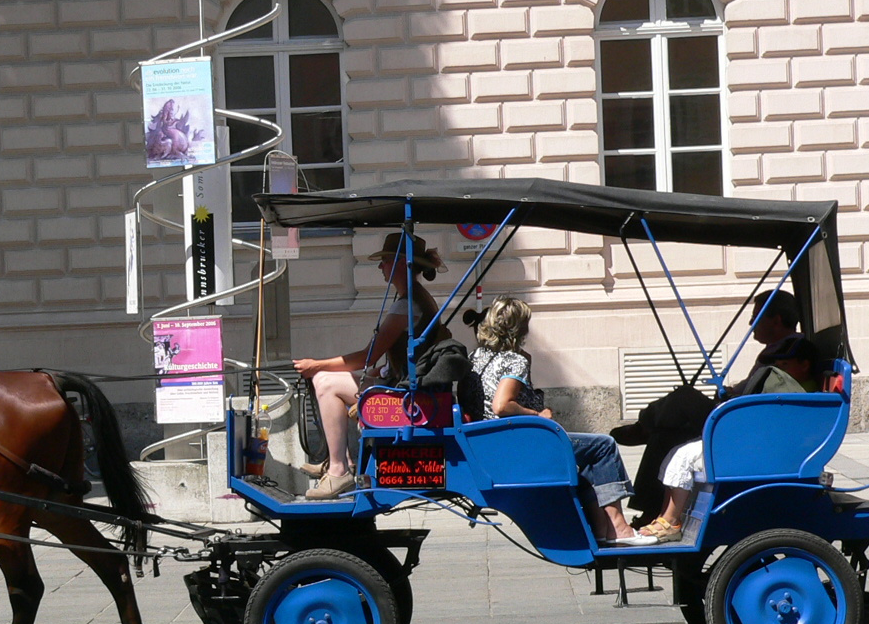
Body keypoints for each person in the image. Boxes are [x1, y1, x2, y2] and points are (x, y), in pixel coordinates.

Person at [468, 298, 653, 546]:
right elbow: (501, 405)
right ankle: (619, 528)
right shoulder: (514, 361)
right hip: (519, 441)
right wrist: (537, 415)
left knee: (587, 456)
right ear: (520, 328)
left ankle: (602, 529)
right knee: (603, 446)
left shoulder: (477, 357)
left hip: (491, 442)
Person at [294, 232, 445, 500]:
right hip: (403, 387)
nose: (380, 267)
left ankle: (339, 470)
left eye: (385, 260)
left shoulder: (407, 304)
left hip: (408, 399)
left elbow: (367, 357)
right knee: (327, 379)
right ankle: (339, 461)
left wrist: (316, 365)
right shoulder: (413, 298)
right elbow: (391, 359)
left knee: (325, 382)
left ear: (401, 263)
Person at [643, 335, 822, 541]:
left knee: (684, 456)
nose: (779, 369)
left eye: (785, 364)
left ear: (805, 365)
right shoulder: (788, 388)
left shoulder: (795, 391)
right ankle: (665, 516)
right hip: (755, 442)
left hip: (760, 450)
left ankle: (671, 520)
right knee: (679, 452)